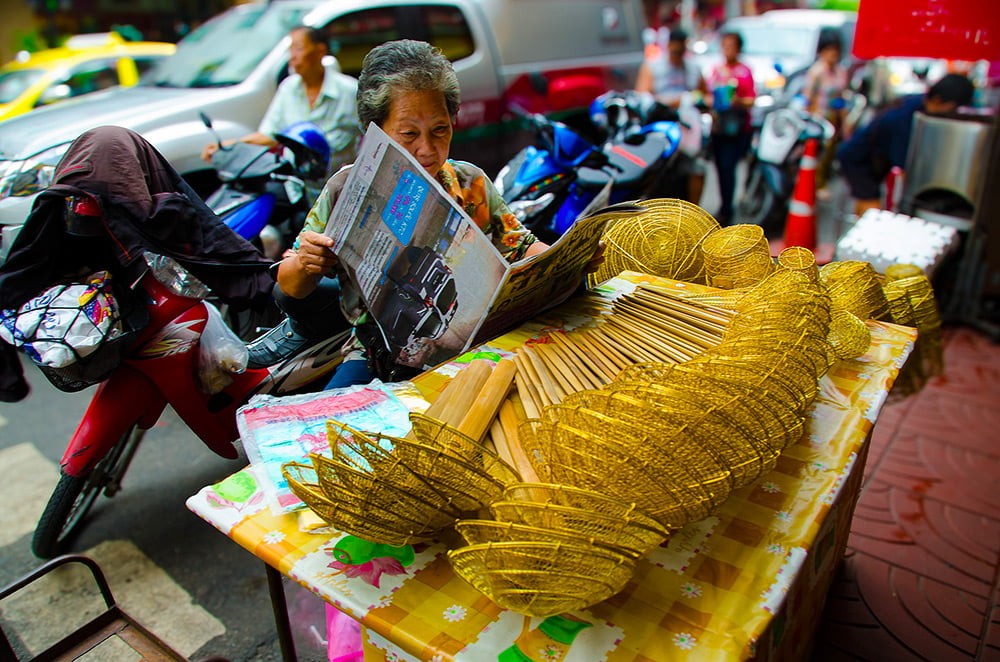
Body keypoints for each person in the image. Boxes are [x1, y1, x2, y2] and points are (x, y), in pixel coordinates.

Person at [268, 40, 603, 388]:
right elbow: (290, 284)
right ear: (375, 131)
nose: (426, 150)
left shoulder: (468, 181)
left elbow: (520, 247)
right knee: (333, 431)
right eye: (409, 134)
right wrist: (307, 261)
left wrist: (567, 259)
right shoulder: (344, 191)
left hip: (475, 348)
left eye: (440, 130)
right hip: (374, 355)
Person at [201, 26, 362, 176]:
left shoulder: (348, 91)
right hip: (298, 190)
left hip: (340, 191)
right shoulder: (288, 89)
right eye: (290, 50)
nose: (292, 56)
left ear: (320, 51)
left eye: (298, 49)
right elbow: (269, 135)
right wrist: (229, 145)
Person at [836, 73, 975, 217]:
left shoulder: (918, 103)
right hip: (858, 162)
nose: (951, 114)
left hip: (869, 160)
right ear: (937, 100)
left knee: (870, 206)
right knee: (873, 211)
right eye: (952, 108)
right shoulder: (905, 118)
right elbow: (901, 168)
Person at [635, 28, 710, 204]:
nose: (678, 55)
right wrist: (675, 101)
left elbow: (705, 94)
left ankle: (693, 214)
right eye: (675, 50)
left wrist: (697, 101)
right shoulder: (653, 66)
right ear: (668, 46)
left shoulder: (693, 68)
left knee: (697, 168)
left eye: (681, 50)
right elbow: (642, 96)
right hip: (661, 128)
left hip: (689, 129)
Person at [705, 31, 755, 225]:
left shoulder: (744, 72)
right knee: (719, 168)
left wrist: (737, 101)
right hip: (718, 128)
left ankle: (727, 208)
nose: (727, 50)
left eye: (731, 46)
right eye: (724, 45)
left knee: (728, 167)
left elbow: (751, 100)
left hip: (737, 128)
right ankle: (725, 206)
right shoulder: (717, 70)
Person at [802, 31, 849, 195]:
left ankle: (820, 183)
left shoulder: (841, 72)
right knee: (816, 155)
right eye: (829, 50)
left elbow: (842, 98)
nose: (832, 54)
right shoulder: (817, 72)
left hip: (833, 120)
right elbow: (807, 97)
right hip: (818, 120)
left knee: (829, 155)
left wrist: (845, 123)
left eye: (835, 50)